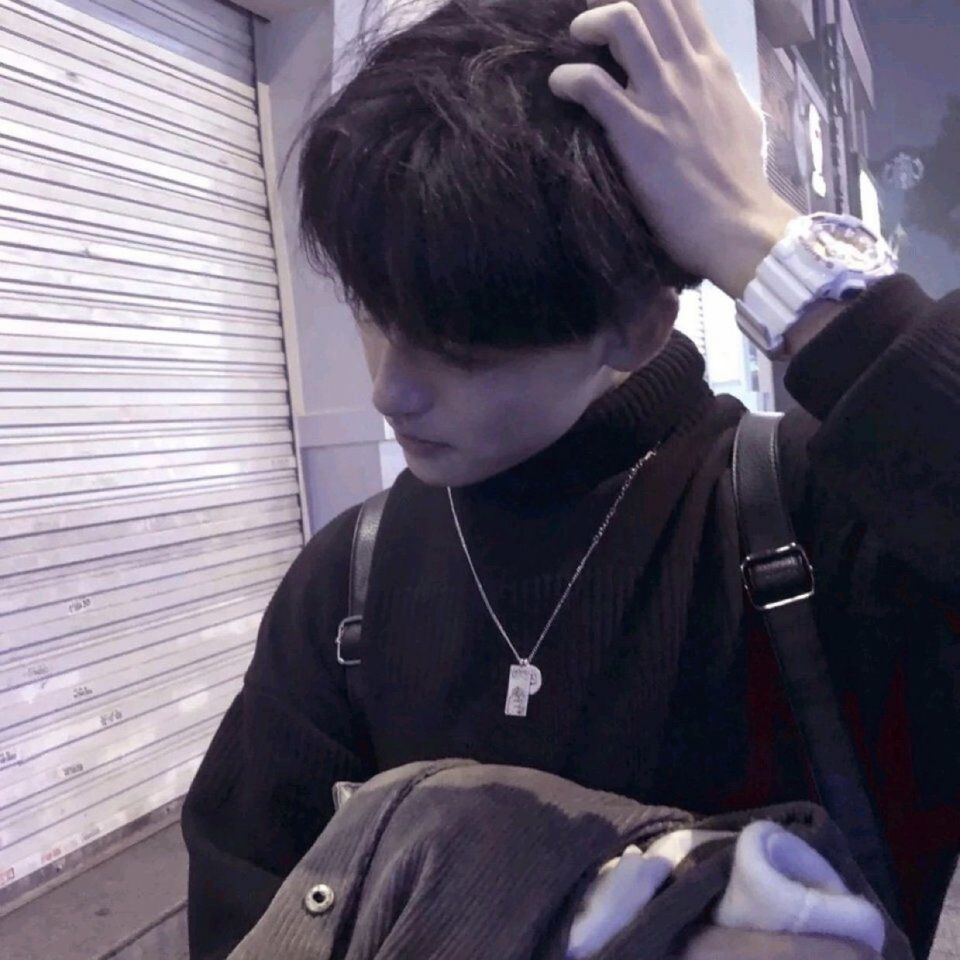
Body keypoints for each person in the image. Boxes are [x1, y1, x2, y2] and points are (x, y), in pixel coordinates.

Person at [181, 1, 960, 958]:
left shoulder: (825, 523)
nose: (390, 388)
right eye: (373, 310)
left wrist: (759, 237)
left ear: (636, 325)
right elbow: (246, 913)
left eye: (463, 350)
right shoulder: (349, 580)